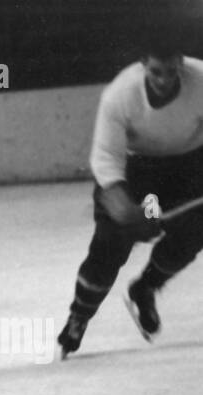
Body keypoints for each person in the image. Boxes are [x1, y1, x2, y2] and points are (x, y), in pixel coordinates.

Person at [57, 40, 203, 359]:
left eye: (170, 71)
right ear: (142, 64)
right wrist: (123, 207)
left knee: (194, 231)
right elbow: (107, 157)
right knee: (110, 244)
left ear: (181, 62)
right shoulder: (120, 94)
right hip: (137, 170)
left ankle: (146, 287)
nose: (163, 80)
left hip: (188, 165)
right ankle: (78, 317)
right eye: (155, 71)